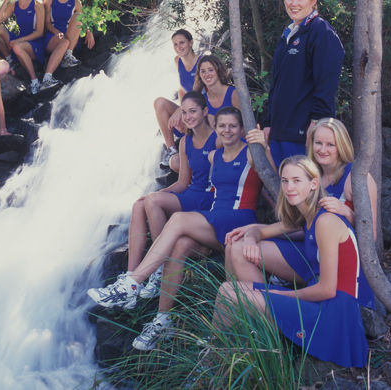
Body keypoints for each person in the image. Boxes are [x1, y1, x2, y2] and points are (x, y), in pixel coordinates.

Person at [88, 107, 263, 350]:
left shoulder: (252, 153)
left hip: (239, 220)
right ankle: (163, 320)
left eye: (233, 126)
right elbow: (191, 166)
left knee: (179, 220)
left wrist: (262, 143)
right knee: (178, 245)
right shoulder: (214, 156)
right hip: (215, 221)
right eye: (222, 125)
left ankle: (132, 283)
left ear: (243, 129)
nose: (227, 130)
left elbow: (272, 174)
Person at [216, 155, 369, 368]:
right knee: (227, 289)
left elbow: (327, 290)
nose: (289, 187)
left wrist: (279, 293)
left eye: (297, 180)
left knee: (232, 296)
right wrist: (250, 235)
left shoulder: (325, 220)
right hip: (321, 302)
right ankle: (224, 357)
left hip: (333, 314)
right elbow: (264, 231)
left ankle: (213, 364)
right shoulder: (308, 216)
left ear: (314, 183)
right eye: (285, 181)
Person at [232, 118, 377, 308]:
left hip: (338, 266)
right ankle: (259, 316)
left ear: (341, 145)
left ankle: (274, 311)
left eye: (330, 144)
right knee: (237, 247)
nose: (322, 149)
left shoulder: (356, 177)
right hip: (309, 251)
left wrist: (347, 213)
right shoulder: (310, 174)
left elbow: (370, 236)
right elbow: (297, 214)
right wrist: (255, 229)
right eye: (318, 143)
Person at [126, 91, 219, 298]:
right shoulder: (185, 141)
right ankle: (129, 276)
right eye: (184, 112)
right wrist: (156, 194)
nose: (188, 117)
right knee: (139, 204)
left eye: (193, 111)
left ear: (205, 112)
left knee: (152, 200)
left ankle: (159, 267)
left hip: (207, 198)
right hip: (190, 193)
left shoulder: (218, 138)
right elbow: (182, 182)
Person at [260, 0, 345, 168]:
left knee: (304, 191)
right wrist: (268, 122)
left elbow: (326, 84)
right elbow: (277, 85)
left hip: (303, 133)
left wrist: (317, 124)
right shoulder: (288, 33)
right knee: (285, 191)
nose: (294, 3)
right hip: (279, 131)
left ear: (314, 0)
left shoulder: (321, 32)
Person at [166, 54, 238, 172]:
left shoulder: (233, 94)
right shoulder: (201, 100)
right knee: (175, 161)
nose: (207, 74)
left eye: (210, 70)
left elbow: (244, 126)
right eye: (202, 71)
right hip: (209, 150)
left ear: (218, 70)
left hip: (232, 145)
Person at [153, 29, 201, 169]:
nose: (178, 47)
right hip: (188, 111)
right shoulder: (177, 61)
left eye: (182, 43)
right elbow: (182, 89)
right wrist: (182, 112)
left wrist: (181, 111)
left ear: (191, 43)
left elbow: (199, 94)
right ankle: (171, 150)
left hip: (204, 113)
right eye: (175, 44)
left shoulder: (202, 62)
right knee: (159, 103)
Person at [41, 0, 95, 92]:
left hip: (70, 37)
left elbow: (81, 20)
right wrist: (56, 32)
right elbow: (47, 23)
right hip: (53, 36)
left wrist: (89, 31)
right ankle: (46, 79)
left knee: (77, 16)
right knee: (63, 42)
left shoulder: (76, 2)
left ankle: (68, 56)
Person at [0, 0, 46, 95]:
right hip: (19, 42)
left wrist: (18, 41)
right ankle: (10, 60)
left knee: (17, 46)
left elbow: (40, 32)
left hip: (35, 43)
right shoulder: (14, 6)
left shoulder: (36, 3)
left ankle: (35, 81)